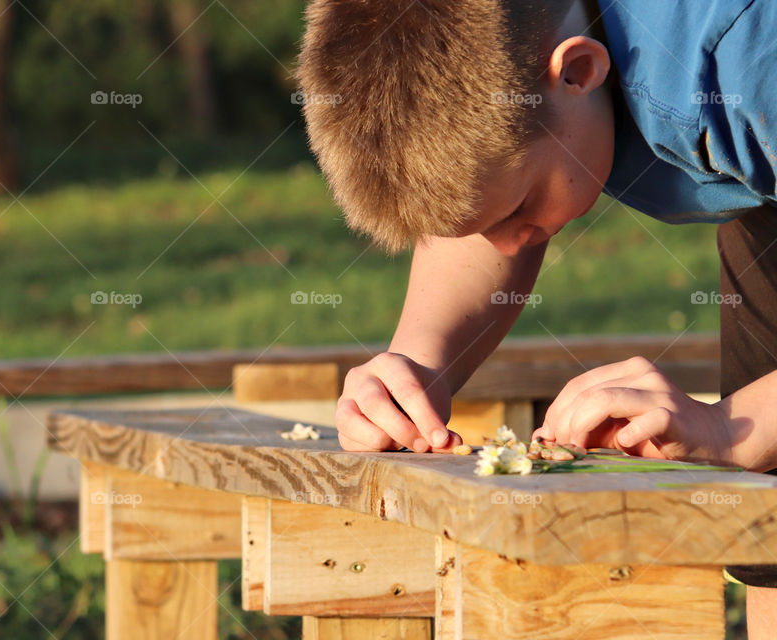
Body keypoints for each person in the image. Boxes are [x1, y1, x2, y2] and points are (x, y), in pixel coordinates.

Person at [297, 0, 777, 636]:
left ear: (578, 70)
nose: (506, 243)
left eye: (517, 209)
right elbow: (485, 194)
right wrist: (416, 367)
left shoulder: (739, 57)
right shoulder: (531, 72)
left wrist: (732, 431)